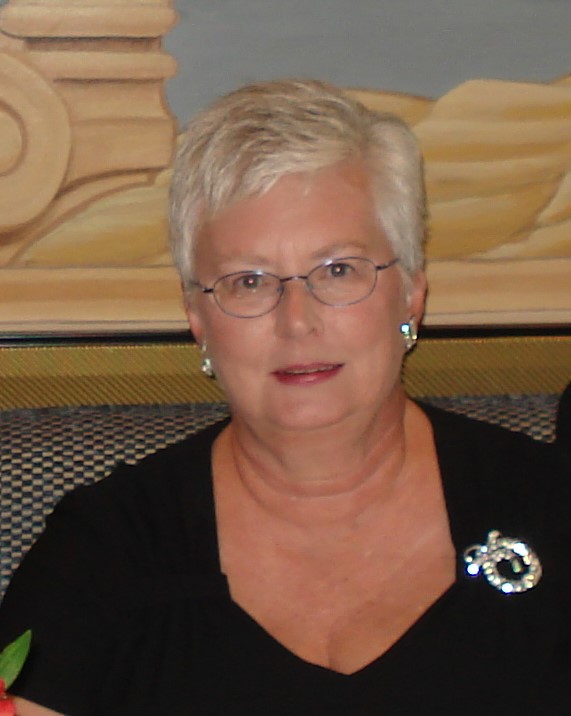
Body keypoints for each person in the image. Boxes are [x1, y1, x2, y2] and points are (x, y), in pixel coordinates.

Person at [0, 79, 568, 716]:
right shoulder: (107, 549)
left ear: (410, 294)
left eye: (338, 270)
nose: (296, 321)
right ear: (197, 317)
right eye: (249, 281)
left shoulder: (550, 505)